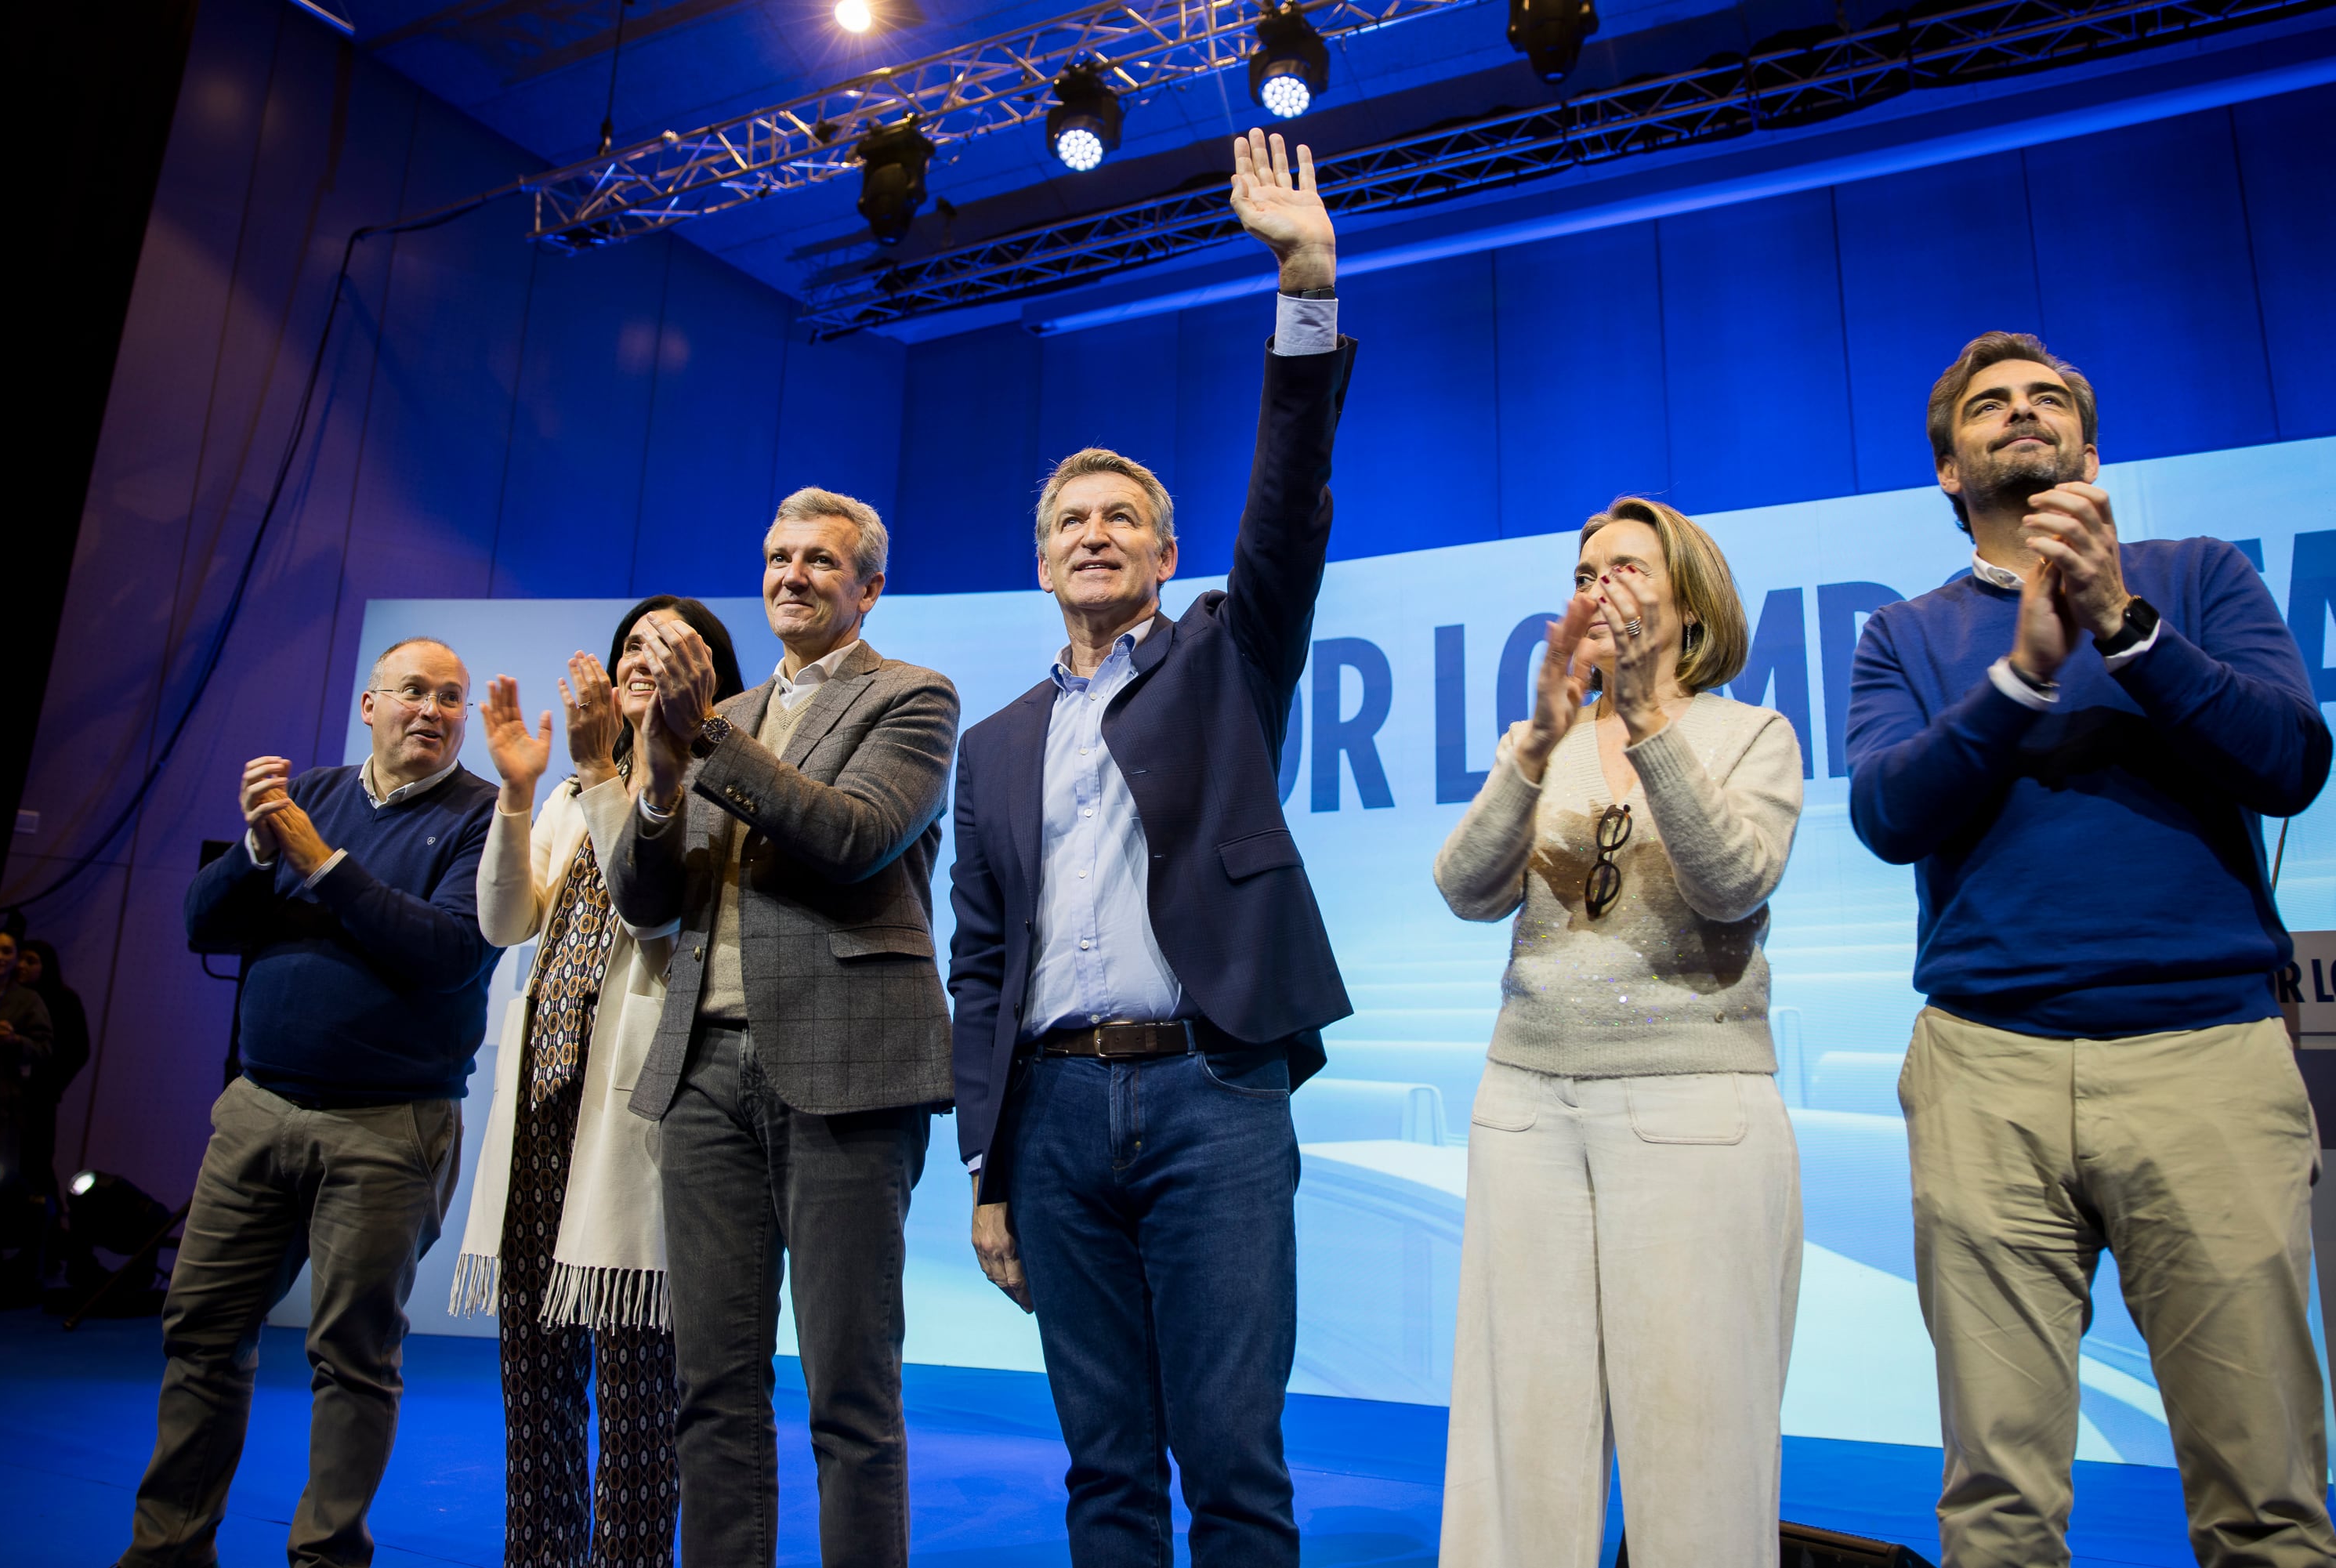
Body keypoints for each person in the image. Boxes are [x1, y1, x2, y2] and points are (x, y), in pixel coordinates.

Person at [1844, 331, 2334, 1568]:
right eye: (1989, 405)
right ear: (1949, 472)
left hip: (2206, 1055)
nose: (2021, 412)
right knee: (1998, 1507)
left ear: (2089, 450)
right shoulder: (1902, 636)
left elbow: (2288, 762)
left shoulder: (2201, 575)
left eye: (2046, 399)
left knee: (2266, 1493)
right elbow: (1889, 816)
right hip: (1986, 1070)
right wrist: (2017, 680)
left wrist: (2119, 623)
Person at [947, 128, 1354, 1568]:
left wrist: (1304, 291)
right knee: (1104, 1468)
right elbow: (981, 963)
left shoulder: (1225, 659)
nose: (1096, 532)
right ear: (1041, 558)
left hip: (1213, 1092)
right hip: (1050, 1124)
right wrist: (986, 1163)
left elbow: (1287, 507)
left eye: (1124, 516)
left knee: (1234, 1462)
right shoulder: (992, 742)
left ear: (1167, 554)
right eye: (1071, 519)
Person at [1432, 499, 1805, 1565]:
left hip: (1692, 1105)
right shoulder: (1543, 742)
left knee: (1696, 1437)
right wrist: (1542, 740)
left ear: (1689, 599)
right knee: (1520, 1436)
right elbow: (1464, 889)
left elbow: (1732, 886)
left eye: (1628, 568)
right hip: (1527, 1104)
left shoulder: (1750, 735)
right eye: (1587, 570)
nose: (1600, 587)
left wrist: (1646, 719)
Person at [599, 490, 959, 1568]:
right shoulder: (732, 716)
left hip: (848, 1071)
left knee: (850, 1395)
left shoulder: (913, 697)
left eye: (819, 559)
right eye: (775, 556)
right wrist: (658, 787)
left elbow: (851, 836)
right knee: (712, 1392)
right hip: (704, 1073)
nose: (791, 574)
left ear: (868, 587)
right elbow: (646, 903)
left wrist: (700, 736)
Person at [124, 636, 501, 1568]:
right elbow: (201, 925)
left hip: (389, 1125)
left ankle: (327, 1556)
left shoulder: (485, 821)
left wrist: (319, 863)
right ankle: (168, 1547)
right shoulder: (310, 800)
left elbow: (450, 954)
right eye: (412, 691)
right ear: (368, 706)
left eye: (450, 698)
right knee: (202, 1332)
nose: (431, 710)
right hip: (256, 1108)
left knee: (353, 1356)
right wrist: (259, 847)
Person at [453, 598, 744, 1568]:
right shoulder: (577, 795)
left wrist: (595, 774)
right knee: (532, 1384)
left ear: (707, 671)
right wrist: (518, 791)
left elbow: (650, 913)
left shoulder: (710, 779)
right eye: (629, 644)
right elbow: (504, 923)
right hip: (544, 1102)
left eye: (664, 646)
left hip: (638, 1111)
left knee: (635, 1390)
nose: (637, 659)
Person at [15, 939, 90, 1193]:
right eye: (20, 959)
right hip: (4, 1093)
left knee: (36, 1159)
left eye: (31, 961)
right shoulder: (9, 997)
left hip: (39, 1094)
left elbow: (78, 1050)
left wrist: (52, 1083)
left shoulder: (63, 1000)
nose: (21, 966)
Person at [0, 929, 54, 1179]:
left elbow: (45, 1048)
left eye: (6, 951)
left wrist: (15, 1041)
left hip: (6, 1105)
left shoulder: (27, 1000)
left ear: (15, 958)